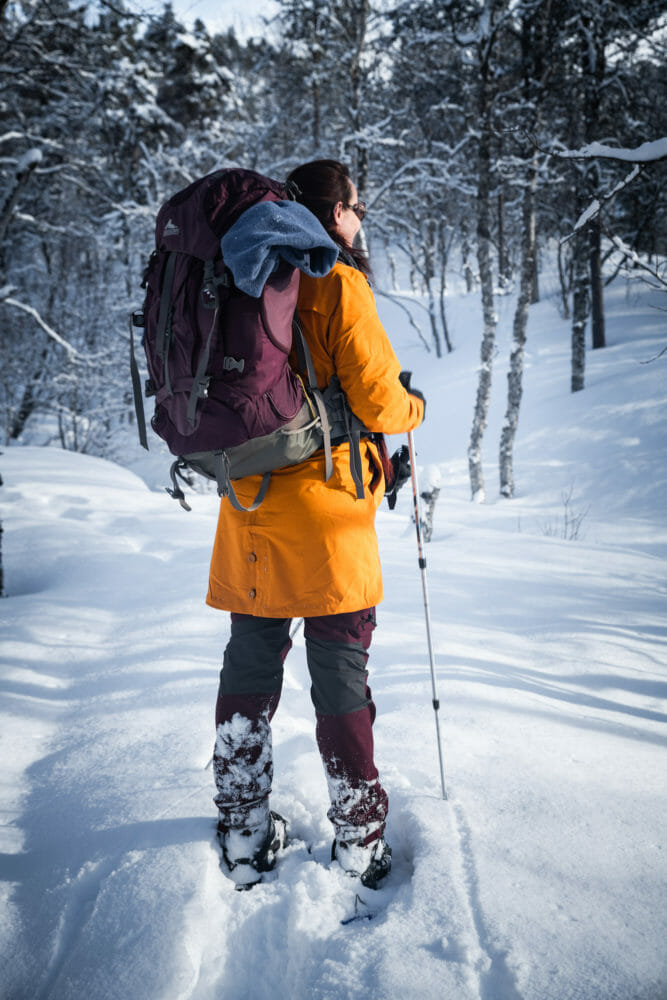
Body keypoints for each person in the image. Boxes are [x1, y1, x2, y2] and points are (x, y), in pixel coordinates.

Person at [206, 159, 425, 890]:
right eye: (356, 207)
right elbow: (379, 398)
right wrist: (412, 407)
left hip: (249, 500)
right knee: (338, 670)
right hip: (329, 512)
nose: (360, 219)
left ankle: (241, 826)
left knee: (250, 657)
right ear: (334, 214)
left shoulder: (237, 270)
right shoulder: (337, 280)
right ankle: (359, 834)